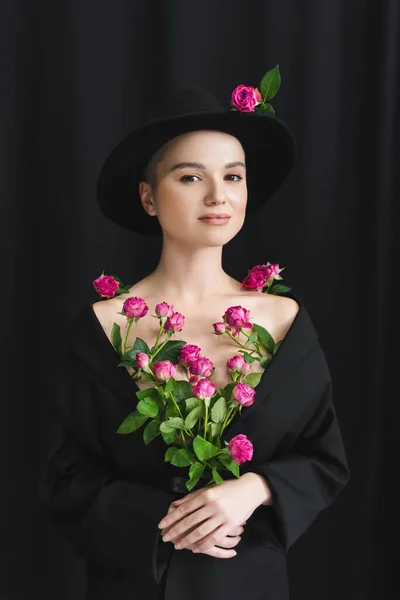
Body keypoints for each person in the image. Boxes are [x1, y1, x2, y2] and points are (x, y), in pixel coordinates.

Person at [38, 83, 350, 600]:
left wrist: (252, 490)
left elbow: (324, 457)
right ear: (148, 197)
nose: (217, 196)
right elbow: (65, 479)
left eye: (233, 176)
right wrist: (171, 521)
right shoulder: (100, 328)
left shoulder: (284, 319)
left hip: (250, 583)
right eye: (190, 177)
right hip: (134, 585)